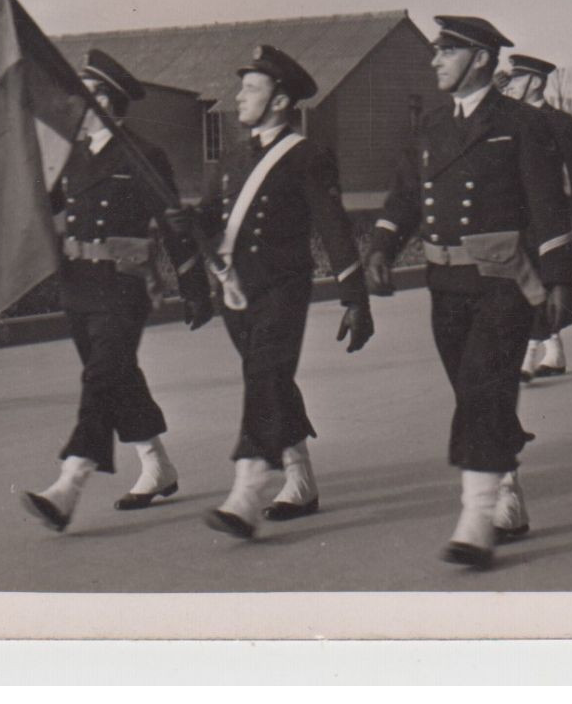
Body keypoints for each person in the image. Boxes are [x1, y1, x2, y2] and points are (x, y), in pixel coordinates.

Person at [365, 15, 572, 569]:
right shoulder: (433, 127)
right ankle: (505, 488)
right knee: (473, 393)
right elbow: (406, 197)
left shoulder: (519, 124)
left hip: (503, 285)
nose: (434, 60)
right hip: (447, 285)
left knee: (484, 389)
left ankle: (476, 519)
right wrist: (383, 247)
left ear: (480, 58)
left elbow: (546, 205)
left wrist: (559, 279)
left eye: (445, 51)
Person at [21, 51, 214, 532]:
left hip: (123, 284)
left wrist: (194, 285)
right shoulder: (70, 154)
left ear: (104, 100)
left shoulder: (143, 155)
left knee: (100, 378)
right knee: (115, 376)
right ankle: (157, 466)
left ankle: (69, 484)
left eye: (83, 97)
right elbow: (41, 207)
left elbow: (172, 222)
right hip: (79, 284)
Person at [188, 45, 373, 539]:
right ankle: (302, 480)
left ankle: (245, 494)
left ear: (279, 100)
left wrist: (354, 295)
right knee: (268, 380)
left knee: (264, 377)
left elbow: (333, 226)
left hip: (281, 289)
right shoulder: (230, 157)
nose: (239, 96)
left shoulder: (306, 155)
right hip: (236, 292)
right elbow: (208, 218)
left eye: (251, 88)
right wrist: (189, 230)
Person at [503, 53, 572, 379]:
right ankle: (552, 349)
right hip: (515, 217)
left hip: (549, 216)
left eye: (517, 79)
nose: (511, 85)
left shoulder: (560, 123)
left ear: (536, 82)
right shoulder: (506, 120)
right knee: (524, 281)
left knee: (542, 282)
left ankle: (529, 353)